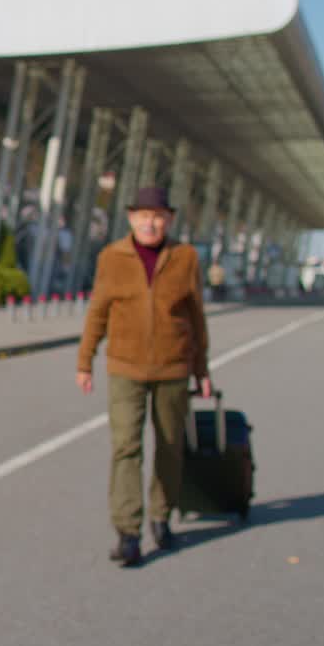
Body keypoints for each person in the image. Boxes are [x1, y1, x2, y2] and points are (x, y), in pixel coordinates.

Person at [75, 186, 211, 567]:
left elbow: (197, 318)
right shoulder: (112, 258)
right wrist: (85, 361)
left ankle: (161, 516)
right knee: (126, 447)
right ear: (131, 218)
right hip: (125, 367)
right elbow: (98, 311)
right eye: (143, 216)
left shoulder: (185, 258)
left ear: (169, 220)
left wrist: (202, 370)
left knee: (169, 445)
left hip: (172, 368)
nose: (150, 223)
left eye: (158, 216)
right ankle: (128, 532)